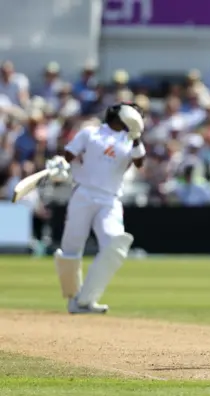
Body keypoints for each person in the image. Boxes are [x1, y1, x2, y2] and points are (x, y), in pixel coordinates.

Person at [46, 102, 146, 314]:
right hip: (83, 193)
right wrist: (60, 166)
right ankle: (74, 300)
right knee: (71, 248)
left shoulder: (129, 141)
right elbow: (69, 156)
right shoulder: (90, 133)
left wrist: (136, 136)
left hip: (110, 200)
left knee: (115, 245)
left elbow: (139, 162)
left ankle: (86, 300)